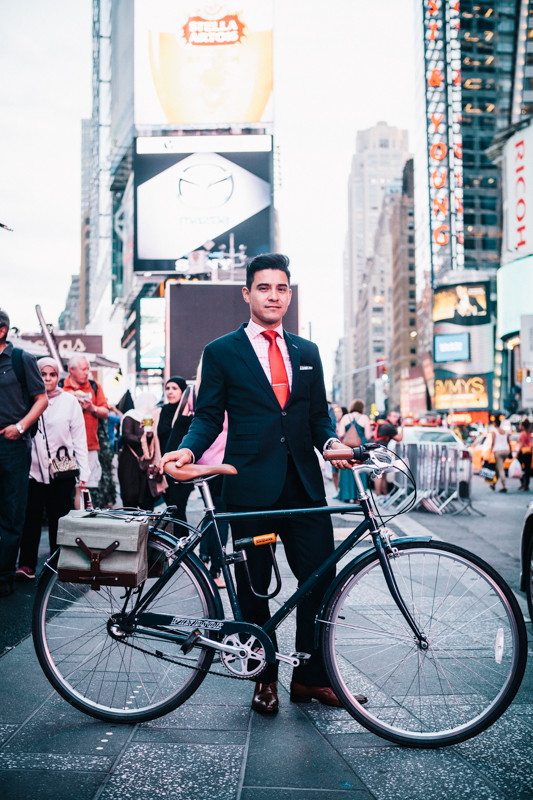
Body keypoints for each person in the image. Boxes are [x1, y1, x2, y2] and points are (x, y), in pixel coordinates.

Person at [160, 253, 359, 716]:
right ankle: (263, 676)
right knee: (255, 587)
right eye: (264, 288)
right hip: (248, 487)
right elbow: (208, 415)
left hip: (305, 489)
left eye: (282, 288)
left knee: (320, 582)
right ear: (247, 293)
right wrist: (188, 450)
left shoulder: (307, 353)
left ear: (289, 294)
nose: (274, 295)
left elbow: (316, 418)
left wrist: (330, 442)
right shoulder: (222, 351)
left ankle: (310, 679)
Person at [16, 357, 90, 579]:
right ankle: (27, 565)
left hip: (62, 469)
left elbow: (79, 439)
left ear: (59, 377)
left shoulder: (69, 401)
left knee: (60, 517)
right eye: (43, 374)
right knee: (31, 518)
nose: (47, 379)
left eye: (52, 374)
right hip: (31, 470)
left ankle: (58, 562)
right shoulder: (26, 399)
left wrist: (83, 475)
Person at [0, 309, 48, 597]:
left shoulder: (21, 360)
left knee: (11, 511)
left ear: (1, 331)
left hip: (12, 445)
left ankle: (4, 576)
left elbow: (41, 400)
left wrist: (19, 427)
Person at [61, 355, 109, 494]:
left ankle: (82, 514)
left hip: (89, 445)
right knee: (63, 487)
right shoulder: (60, 388)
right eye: (83, 369)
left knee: (84, 487)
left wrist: (92, 408)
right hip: (65, 448)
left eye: (88, 369)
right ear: (71, 370)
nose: (87, 373)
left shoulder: (94, 386)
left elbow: (105, 412)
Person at [157, 376, 196, 532]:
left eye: (174, 389)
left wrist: (183, 419)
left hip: (182, 467)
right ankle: (179, 547)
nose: (170, 392)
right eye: (167, 388)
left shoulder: (189, 414)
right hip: (165, 468)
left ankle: (182, 549)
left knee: (177, 508)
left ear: (183, 391)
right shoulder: (161, 411)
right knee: (171, 508)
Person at [118, 392, 164, 510]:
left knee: (147, 498)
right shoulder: (130, 416)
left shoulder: (154, 418)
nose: (155, 406)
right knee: (130, 496)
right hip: (131, 462)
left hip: (148, 462)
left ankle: (145, 526)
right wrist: (144, 438)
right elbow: (126, 436)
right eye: (153, 403)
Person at [337, 400, 371, 503]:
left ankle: (346, 495)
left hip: (347, 449)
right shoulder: (364, 418)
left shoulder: (345, 417)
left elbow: (341, 434)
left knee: (346, 470)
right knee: (359, 471)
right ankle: (358, 497)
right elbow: (368, 436)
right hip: (359, 450)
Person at [374, 410, 403, 501]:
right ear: (388, 417)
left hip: (379, 450)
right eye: (394, 416)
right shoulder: (389, 427)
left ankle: (385, 495)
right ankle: (378, 497)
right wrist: (402, 426)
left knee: (383, 475)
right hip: (380, 451)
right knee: (379, 474)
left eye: (397, 416)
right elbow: (399, 438)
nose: (396, 418)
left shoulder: (385, 425)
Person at [331, 405, 347, 497]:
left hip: (342, 448)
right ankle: (337, 491)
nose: (337, 413)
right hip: (334, 450)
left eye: (340, 411)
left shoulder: (345, 422)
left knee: (342, 471)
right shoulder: (333, 422)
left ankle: (341, 491)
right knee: (334, 472)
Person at [491, 421, 511, 493]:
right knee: (498, 467)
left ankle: (504, 485)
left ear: (495, 423)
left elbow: (493, 442)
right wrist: (510, 451)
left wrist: (490, 452)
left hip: (498, 451)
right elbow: (509, 442)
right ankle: (493, 484)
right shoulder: (504, 431)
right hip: (505, 451)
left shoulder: (495, 431)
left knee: (500, 468)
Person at [518, 418, 532, 492]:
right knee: (527, 469)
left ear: (523, 426)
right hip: (529, 452)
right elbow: (530, 444)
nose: (519, 426)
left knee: (519, 468)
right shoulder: (529, 433)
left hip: (522, 453)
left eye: (520, 425)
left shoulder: (522, 434)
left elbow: (521, 444)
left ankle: (522, 482)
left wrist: (517, 454)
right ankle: (527, 484)